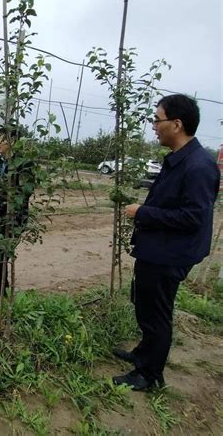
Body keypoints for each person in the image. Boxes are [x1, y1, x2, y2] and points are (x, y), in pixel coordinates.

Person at [112, 94, 220, 391]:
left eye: (156, 120)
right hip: (159, 249)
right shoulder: (181, 160)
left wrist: (143, 212)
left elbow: (192, 217)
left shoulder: (198, 166)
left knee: (156, 314)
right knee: (146, 306)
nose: (154, 127)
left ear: (176, 124)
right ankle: (144, 355)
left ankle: (149, 375)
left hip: (170, 254)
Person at [0, 127, 33, 306]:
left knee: (0, 253)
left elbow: (23, 193)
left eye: (0, 140)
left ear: (12, 142)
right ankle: (4, 287)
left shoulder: (25, 165)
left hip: (14, 217)